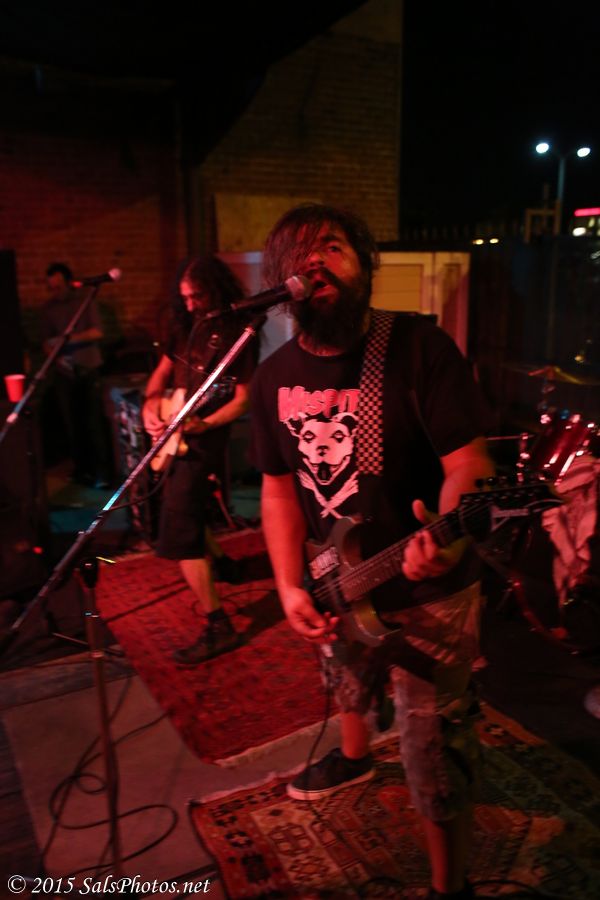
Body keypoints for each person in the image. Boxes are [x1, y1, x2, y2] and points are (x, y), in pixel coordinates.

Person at [250, 204, 495, 900]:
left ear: (364, 263)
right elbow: (277, 489)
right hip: (334, 575)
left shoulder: (419, 347)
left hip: (428, 591)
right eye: (298, 252)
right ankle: (355, 756)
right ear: (278, 280)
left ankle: (450, 885)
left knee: (433, 748)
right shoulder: (271, 378)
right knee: (347, 679)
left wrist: (447, 535)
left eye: (332, 246)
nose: (314, 261)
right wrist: (289, 585)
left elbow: (469, 463)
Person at [142, 255, 255, 666]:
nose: (190, 305)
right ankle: (224, 566)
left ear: (218, 290)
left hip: (203, 438)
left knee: (179, 523)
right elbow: (161, 374)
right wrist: (150, 405)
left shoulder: (239, 333)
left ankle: (218, 624)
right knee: (185, 507)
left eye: (199, 296)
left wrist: (204, 423)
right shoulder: (182, 324)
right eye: (186, 297)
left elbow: (243, 398)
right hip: (173, 431)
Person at [41, 262, 110, 487]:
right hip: (64, 372)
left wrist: (69, 339)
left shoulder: (84, 302)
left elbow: (97, 332)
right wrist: (56, 357)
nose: (56, 292)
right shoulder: (48, 309)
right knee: (72, 424)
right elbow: (45, 342)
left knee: (93, 422)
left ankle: (102, 473)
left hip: (88, 368)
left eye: (59, 287)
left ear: (69, 283)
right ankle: (82, 471)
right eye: (52, 288)